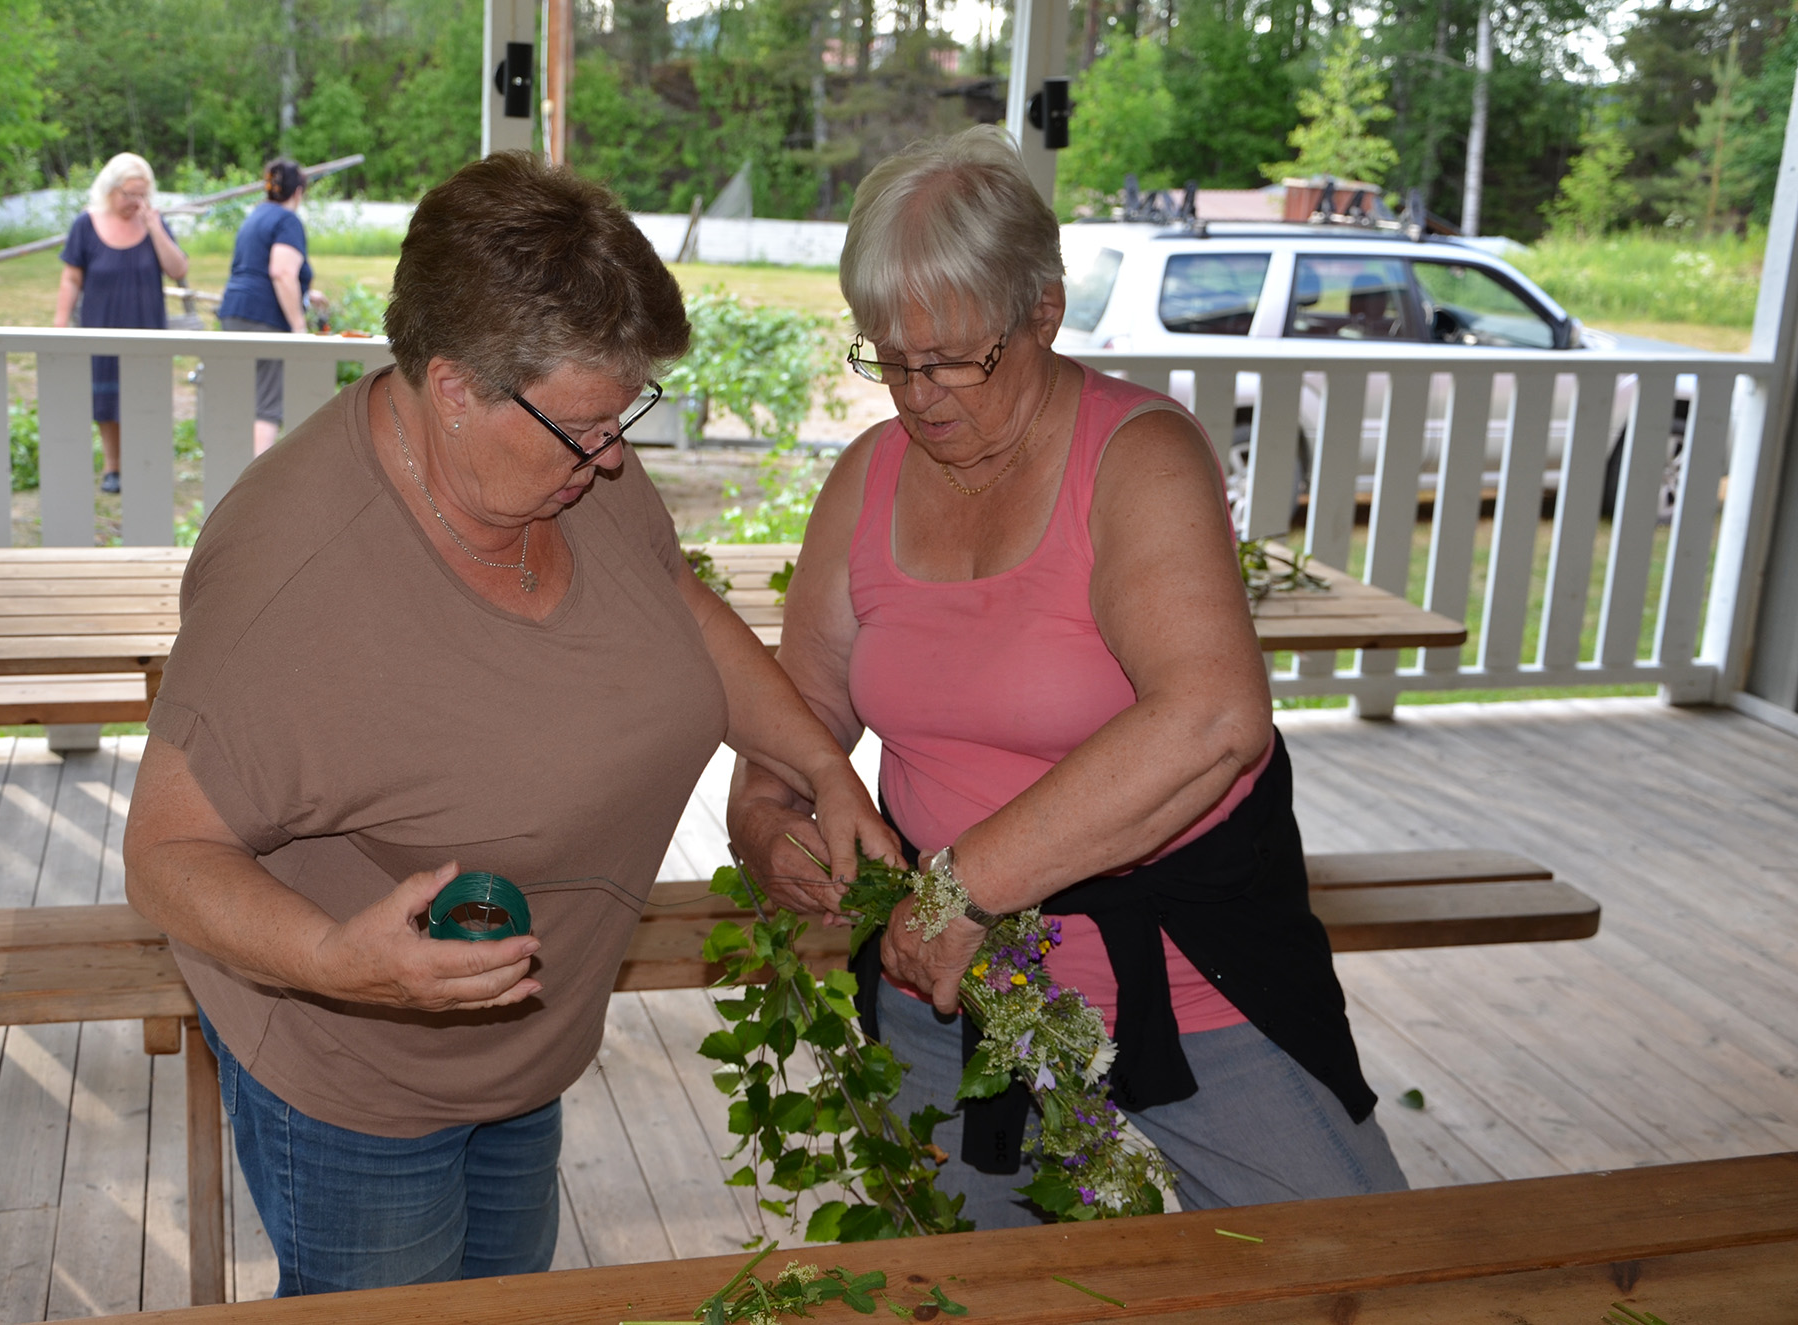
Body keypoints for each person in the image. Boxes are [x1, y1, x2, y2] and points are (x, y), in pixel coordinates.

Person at [121, 151, 898, 1296]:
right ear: (452, 387)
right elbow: (165, 854)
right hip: (361, 1081)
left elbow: (673, 603)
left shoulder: (561, 463)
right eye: (589, 425)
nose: (617, 454)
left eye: (624, 412)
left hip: (524, 1049)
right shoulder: (293, 586)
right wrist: (344, 960)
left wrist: (820, 766)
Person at [727, 126, 1407, 1223]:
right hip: (946, 992)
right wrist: (763, 822)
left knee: (1353, 1265)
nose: (916, 394)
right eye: (886, 359)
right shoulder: (865, 479)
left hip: (1193, 983)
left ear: (1038, 312)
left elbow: (1210, 720)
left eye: (949, 358)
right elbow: (798, 713)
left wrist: (962, 885)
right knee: (957, 1286)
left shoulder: (1139, 456)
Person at [53, 152, 189, 493]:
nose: (136, 202)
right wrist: (59, 324)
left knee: (146, 396)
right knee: (107, 399)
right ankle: (113, 467)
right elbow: (71, 278)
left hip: (147, 325)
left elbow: (178, 270)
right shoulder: (86, 224)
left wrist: (155, 228)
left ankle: (146, 463)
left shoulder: (153, 222)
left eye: (142, 194)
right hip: (101, 324)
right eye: (129, 194)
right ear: (110, 190)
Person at [216, 157, 326, 455]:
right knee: (266, 404)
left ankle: (230, 461)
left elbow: (257, 268)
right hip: (264, 320)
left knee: (241, 396)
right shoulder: (287, 221)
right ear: (299, 192)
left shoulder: (256, 216)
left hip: (234, 312)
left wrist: (306, 294)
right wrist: (298, 327)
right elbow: (281, 272)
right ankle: (253, 480)